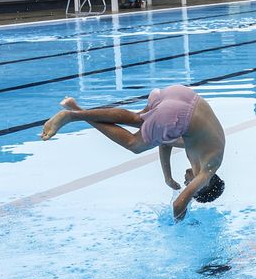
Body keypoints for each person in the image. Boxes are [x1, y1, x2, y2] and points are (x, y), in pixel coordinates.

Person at [40, 85, 226, 221]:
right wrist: (179, 226)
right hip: (179, 114)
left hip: (183, 95)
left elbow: (164, 139)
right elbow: (178, 205)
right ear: (203, 186)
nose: (187, 183)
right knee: (134, 144)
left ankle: (76, 111)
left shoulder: (205, 148)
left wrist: (167, 177)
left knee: (137, 119)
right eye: (190, 186)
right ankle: (73, 115)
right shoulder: (208, 168)